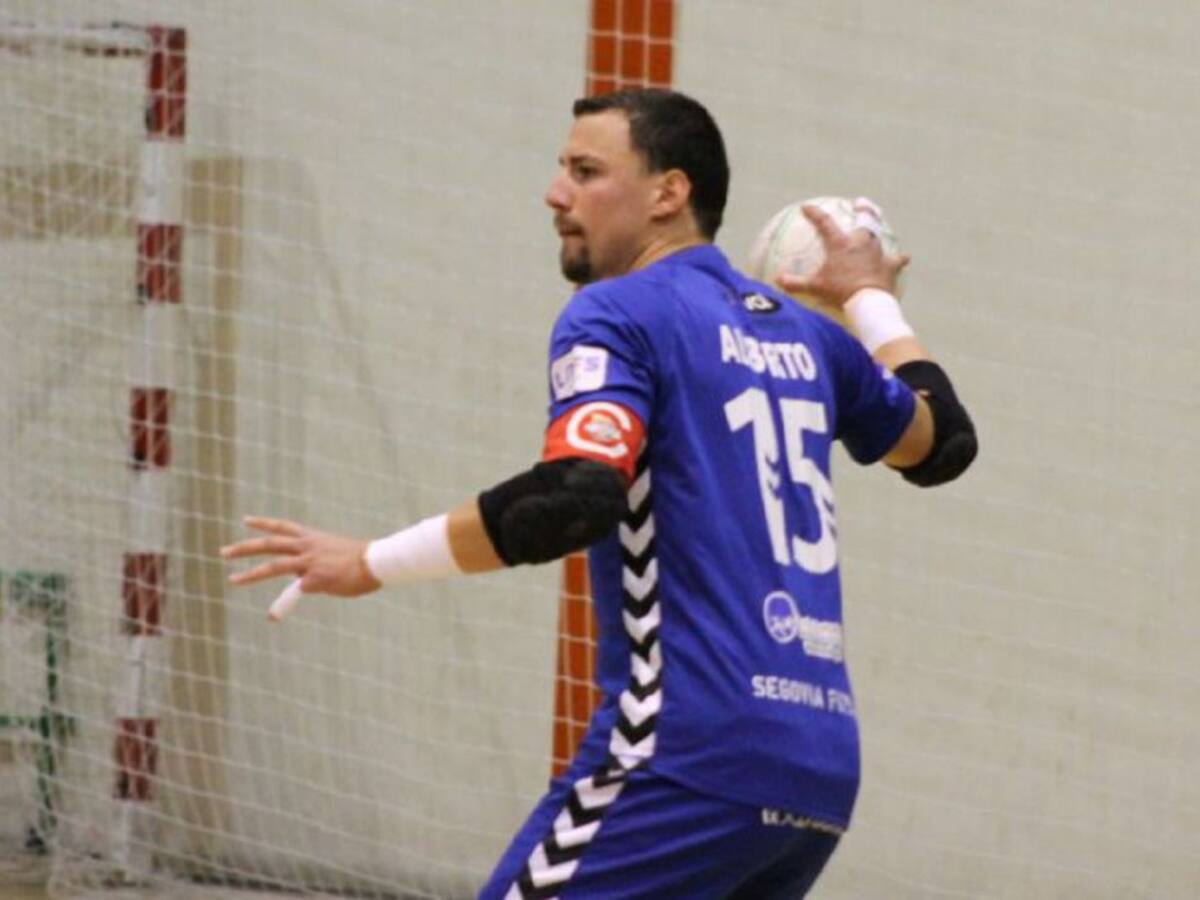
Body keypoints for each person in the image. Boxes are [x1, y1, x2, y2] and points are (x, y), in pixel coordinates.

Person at [222, 88, 977, 899]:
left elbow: (574, 497)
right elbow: (942, 443)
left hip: (685, 751)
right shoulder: (813, 338)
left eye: (585, 172)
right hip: (815, 769)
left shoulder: (619, 313)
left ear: (668, 193)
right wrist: (868, 298)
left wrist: (371, 562)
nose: (557, 194)